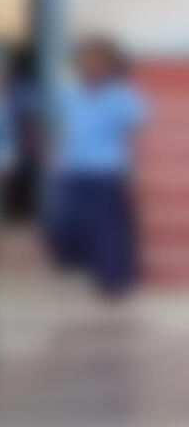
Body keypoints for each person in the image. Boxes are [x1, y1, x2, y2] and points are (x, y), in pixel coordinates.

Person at [44, 36, 145, 296]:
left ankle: (113, 281)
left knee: (107, 228)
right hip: (72, 170)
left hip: (106, 171)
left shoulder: (121, 96)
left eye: (99, 62)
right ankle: (79, 266)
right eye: (87, 61)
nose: (92, 67)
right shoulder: (69, 96)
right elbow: (58, 131)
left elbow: (134, 131)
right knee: (65, 222)